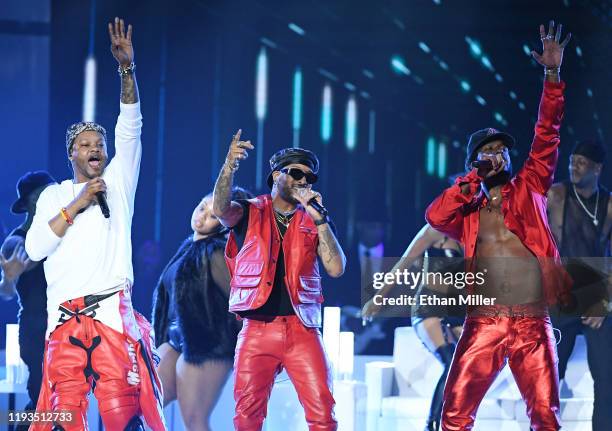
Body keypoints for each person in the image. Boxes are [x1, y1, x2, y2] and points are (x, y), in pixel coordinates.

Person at [425, 21, 572, 430]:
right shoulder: (467, 205)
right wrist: (470, 179)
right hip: (483, 320)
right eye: (488, 151)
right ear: (475, 160)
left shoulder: (531, 185)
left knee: (545, 415)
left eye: (502, 150)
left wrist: (552, 75)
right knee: (454, 415)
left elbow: (548, 131)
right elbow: (435, 217)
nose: (497, 156)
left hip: (531, 318)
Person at [25, 18, 165, 430]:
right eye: (85, 145)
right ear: (71, 153)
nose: (96, 150)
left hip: (110, 314)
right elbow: (34, 250)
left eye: (100, 145)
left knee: (122, 413)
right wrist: (79, 203)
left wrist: (127, 70)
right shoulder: (55, 194)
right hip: (65, 320)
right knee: (64, 417)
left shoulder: (119, 183)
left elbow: (131, 125)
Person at [212, 131, 346, 431]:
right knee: (248, 416)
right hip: (257, 330)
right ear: (276, 175)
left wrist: (320, 219)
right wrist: (229, 165)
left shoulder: (315, 219)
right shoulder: (249, 210)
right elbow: (220, 209)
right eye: (296, 173)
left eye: (310, 178)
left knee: (323, 416)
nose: (303, 182)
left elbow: (336, 268)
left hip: (303, 330)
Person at [152, 186, 252, 431]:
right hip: (176, 339)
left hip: (208, 345)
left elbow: (240, 303)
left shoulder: (217, 252)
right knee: (144, 403)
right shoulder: (188, 247)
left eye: (212, 214)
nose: (202, 215)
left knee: (194, 420)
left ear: (224, 223)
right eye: (201, 207)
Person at [362, 224, 464, 431]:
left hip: (458, 310)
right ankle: (432, 424)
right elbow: (402, 264)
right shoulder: (435, 229)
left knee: (464, 366)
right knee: (452, 363)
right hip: (430, 306)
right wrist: (378, 299)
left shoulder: (473, 229)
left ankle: (456, 420)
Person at [547, 139, 612, 430]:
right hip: (560, 293)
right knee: (548, 374)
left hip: (597, 296)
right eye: (572, 160)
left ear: (597, 168)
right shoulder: (557, 196)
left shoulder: (609, 205)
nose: (573, 165)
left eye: (581, 162)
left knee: (607, 376)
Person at [0, 171, 56, 429]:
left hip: (66, 323)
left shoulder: (62, 231)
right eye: (46, 193)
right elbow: (7, 291)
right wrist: (9, 279)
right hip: (37, 327)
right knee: (42, 398)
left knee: (59, 400)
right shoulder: (17, 241)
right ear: (32, 201)